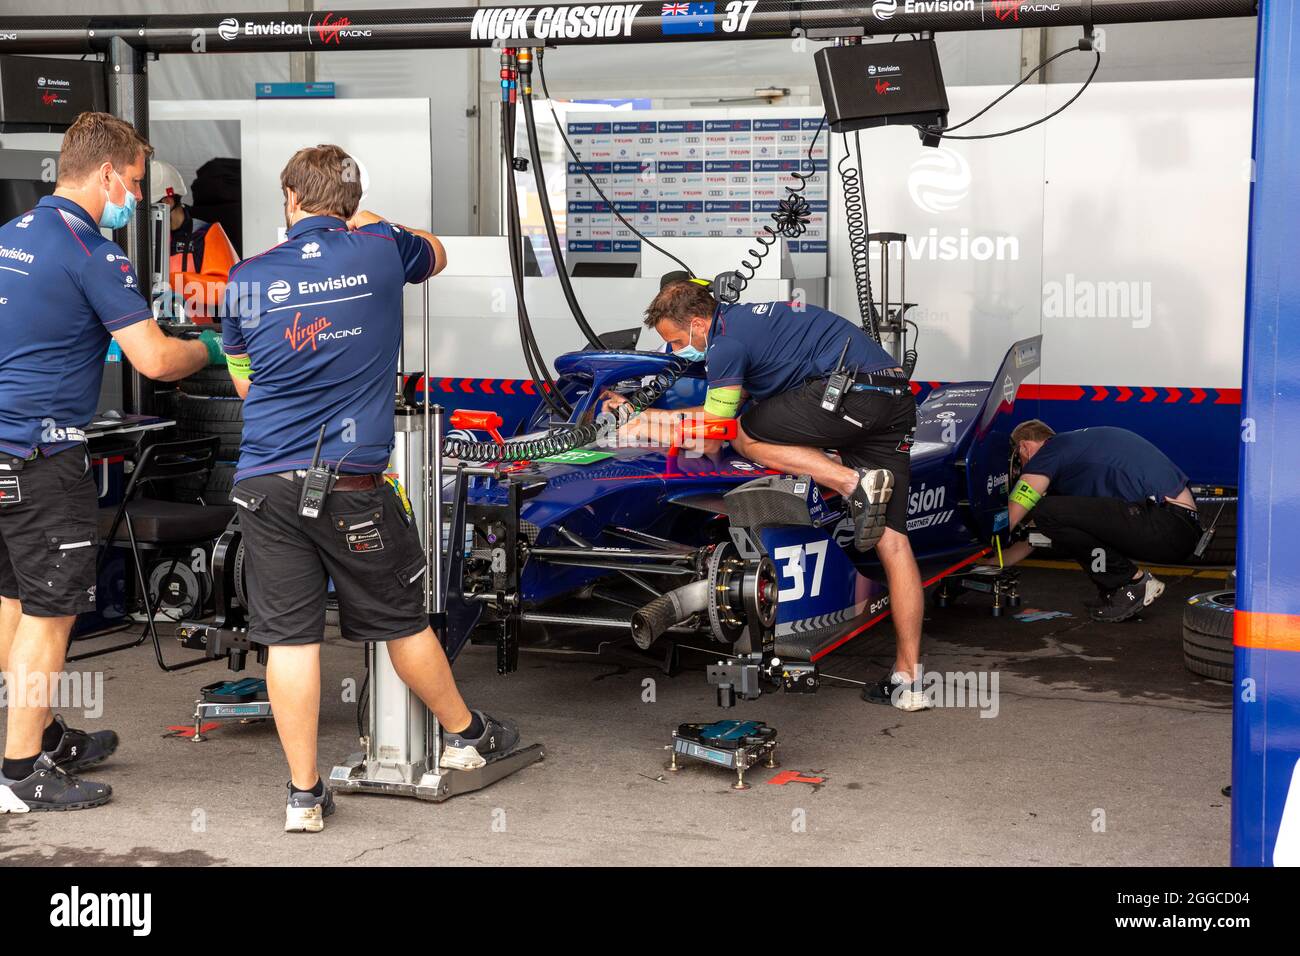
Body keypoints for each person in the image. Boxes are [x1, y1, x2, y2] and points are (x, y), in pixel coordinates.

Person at [220, 144, 521, 833]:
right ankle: (467, 735)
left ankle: (303, 795)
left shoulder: (244, 277)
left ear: (289, 200)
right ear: (352, 208)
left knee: (290, 641)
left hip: (263, 481)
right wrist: (369, 223)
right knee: (399, 618)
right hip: (348, 482)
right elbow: (437, 253)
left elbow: (243, 381)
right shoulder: (383, 247)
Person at [0, 112, 220, 811]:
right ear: (103, 174)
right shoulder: (93, 251)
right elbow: (153, 358)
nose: (134, 197)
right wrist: (211, 350)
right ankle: (20, 773)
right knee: (49, 614)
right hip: (43, 456)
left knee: (10, 598)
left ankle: (35, 733)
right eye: (131, 182)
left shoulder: (9, 238)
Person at [608, 279, 929, 711]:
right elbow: (719, 411)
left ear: (699, 323)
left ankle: (852, 485)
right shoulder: (747, 327)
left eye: (677, 341)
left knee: (749, 435)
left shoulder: (723, 343)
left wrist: (640, 424)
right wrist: (643, 414)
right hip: (891, 399)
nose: (675, 352)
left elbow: (716, 433)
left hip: (848, 394)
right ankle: (908, 679)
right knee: (894, 540)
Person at [995, 420, 1202, 622]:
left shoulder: (1052, 449)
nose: (1019, 471)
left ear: (1024, 448)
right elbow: (1036, 534)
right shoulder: (1074, 458)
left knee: (1046, 510)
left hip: (1166, 521)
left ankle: (1133, 582)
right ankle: (1115, 589)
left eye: (1017, 463)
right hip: (1175, 527)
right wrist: (993, 563)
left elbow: (1015, 513)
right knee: (1055, 515)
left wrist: (978, 548)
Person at [152, 159, 239, 320]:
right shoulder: (142, 241)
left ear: (168, 202)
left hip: (202, 335)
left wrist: (172, 282)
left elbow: (226, 290)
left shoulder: (206, 233)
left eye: (150, 208)